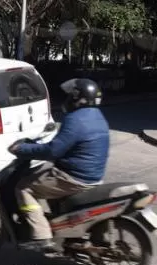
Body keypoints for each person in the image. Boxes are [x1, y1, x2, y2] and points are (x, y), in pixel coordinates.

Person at [9, 78, 110, 252]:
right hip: (94, 176)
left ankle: (41, 236)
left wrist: (22, 148)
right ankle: (67, 232)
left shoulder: (75, 119)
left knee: (24, 188)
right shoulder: (98, 117)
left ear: (78, 98)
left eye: (71, 96)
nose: (67, 99)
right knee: (47, 179)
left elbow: (53, 151)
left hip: (74, 178)